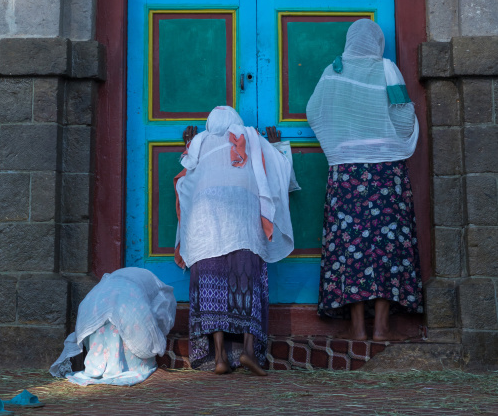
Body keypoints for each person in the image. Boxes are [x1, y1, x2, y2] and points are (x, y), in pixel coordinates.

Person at [306, 19, 423, 342]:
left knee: (349, 247)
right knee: (387, 248)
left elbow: (313, 112)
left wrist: (340, 142)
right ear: (377, 43)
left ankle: (357, 328)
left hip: (345, 175)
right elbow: (401, 113)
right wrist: (389, 140)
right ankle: (382, 328)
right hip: (386, 174)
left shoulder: (333, 72)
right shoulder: (387, 69)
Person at [174, 106, 294, 376]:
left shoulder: (200, 143)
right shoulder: (250, 136)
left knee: (212, 287)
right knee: (249, 281)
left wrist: (188, 145)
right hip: (243, 222)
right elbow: (279, 170)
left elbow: (186, 180)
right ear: (235, 123)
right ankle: (249, 351)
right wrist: (278, 146)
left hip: (207, 226)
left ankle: (219, 358)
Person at [50, 267, 176, 386]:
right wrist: (157, 336)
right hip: (129, 298)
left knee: (105, 321)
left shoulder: (111, 282)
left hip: (96, 300)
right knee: (131, 321)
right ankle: (129, 366)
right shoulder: (162, 291)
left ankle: (100, 366)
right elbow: (162, 316)